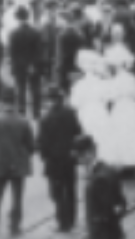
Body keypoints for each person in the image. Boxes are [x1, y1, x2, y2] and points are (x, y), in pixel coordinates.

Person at [0, 90, 34, 237]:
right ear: (15, 102)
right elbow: (31, 146)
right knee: (17, 198)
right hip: (18, 165)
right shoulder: (23, 121)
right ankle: (14, 228)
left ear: (2, 103)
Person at [37, 86, 82, 233]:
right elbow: (78, 132)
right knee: (70, 190)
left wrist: (44, 157)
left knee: (57, 193)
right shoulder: (71, 113)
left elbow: (42, 143)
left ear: (50, 100)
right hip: (69, 158)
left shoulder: (45, 119)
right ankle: (72, 220)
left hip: (54, 162)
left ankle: (63, 223)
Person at [73, 135, 127, 239]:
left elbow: (104, 215)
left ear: (88, 153)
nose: (78, 161)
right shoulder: (108, 169)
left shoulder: (98, 180)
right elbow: (121, 204)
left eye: (79, 156)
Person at [7, 6, 43, 118]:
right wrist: (33, 64)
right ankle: (36, 113)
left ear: (17, 18)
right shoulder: (35, 32)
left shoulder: (13, 33)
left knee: (20, 89)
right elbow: (38, 51)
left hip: (19, 66)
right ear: (28, 17)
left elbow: (11, 53)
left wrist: (14, 66)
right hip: (33, 66)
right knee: (35, 89)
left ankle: (22, 112)